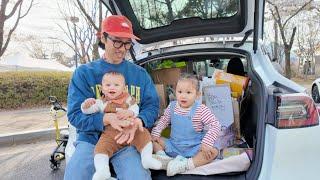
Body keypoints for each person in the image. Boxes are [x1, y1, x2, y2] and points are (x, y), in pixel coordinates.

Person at [64, 15, 160, 180]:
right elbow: (74, 115)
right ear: (103, 37)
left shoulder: (140, 74)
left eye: (127, 42)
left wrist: (139, 121)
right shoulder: (84, 73)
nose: (122, 48)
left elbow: (151, 107)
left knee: (137, 177)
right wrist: (105, 118)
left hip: (127, 140)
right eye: (117, 41)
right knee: (75, 175)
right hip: (90, 140)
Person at [81, 71, 161, 180]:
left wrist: (130, 113)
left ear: (123, 88)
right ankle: (102, 170)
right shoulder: (101, 102)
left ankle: (146, 158)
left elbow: (135, 109)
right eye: (108, 85)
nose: (111, 88)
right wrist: (86, 105)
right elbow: (87, 111)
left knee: (144, 134)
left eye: (116, 85)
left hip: (131, 130)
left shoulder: (128, 99)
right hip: (110, 134)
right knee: (100, 149)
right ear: (102, 88)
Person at [151, 73, 221, 176]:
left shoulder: (201, 109)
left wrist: (206, 143)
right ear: (175, 92)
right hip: (173, 146)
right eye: (179, 92)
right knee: (153, 141)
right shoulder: (172, 106)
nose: (183, 96)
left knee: (213, 151)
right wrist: (155, 133)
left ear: (197, 95)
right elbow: (164, 120)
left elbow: (215, 124)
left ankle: (186, 165)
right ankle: (164, 160)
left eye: (188, 92)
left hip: (194, 148)